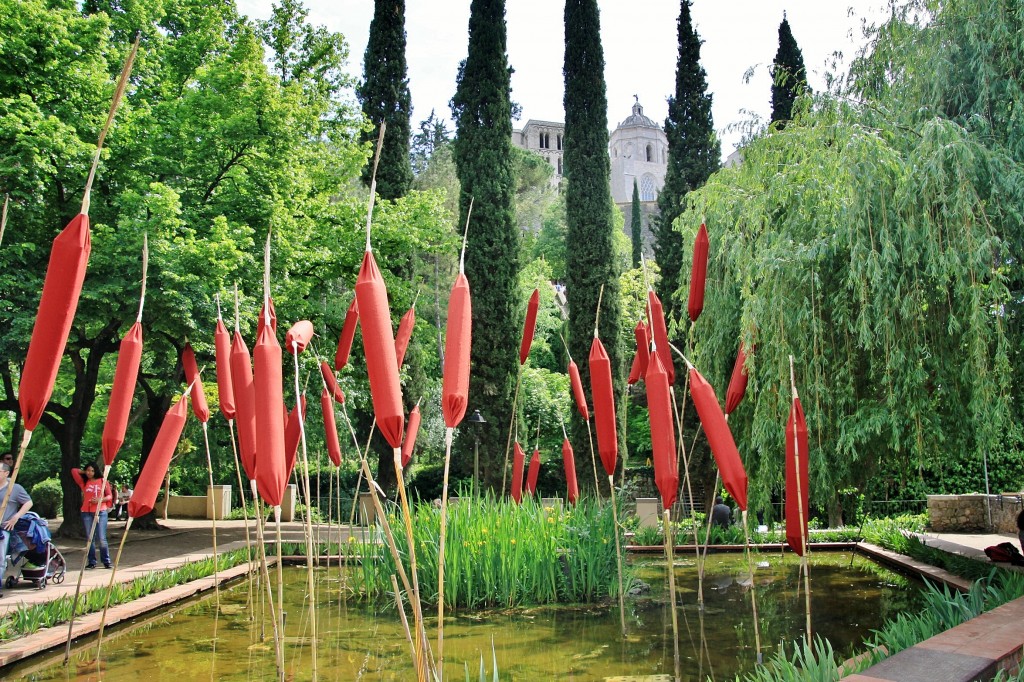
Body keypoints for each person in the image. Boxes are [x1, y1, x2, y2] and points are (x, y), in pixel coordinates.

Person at [71, 462, 113, 569]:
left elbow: (109, 496)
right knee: (90, 538)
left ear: (96, 471)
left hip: (101, 511)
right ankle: (92, 561)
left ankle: (106, 561)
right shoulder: (84, 482)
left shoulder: (103, 481)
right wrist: (84, 472)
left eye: (92, 470)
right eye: (88, 470)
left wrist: (100, 499)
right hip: (86, 512)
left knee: (101, 537)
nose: (90, 473)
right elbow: (74, 471)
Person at [0, 462, 33, 597]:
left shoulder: (14, 488)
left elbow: (28, 502)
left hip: (3, 529)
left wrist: (16, 517)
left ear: (6, 473)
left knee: (0, 559)